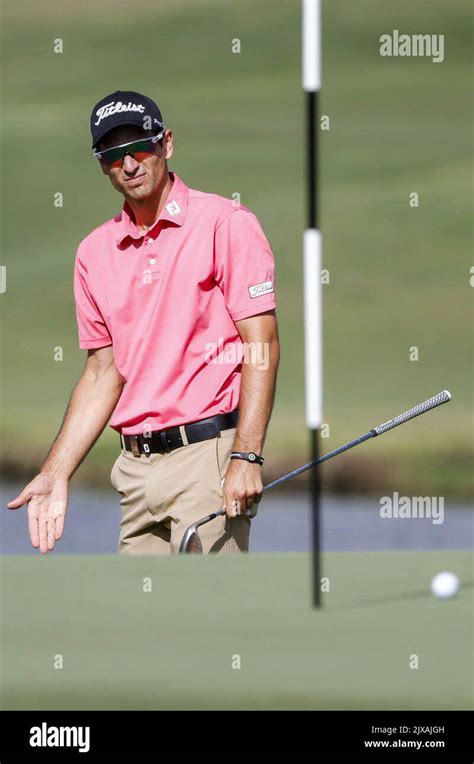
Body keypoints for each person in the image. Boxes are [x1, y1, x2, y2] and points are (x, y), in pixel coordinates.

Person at [7, 90, 280, 555]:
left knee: (206, 619)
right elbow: (102, 373)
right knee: (143, 622)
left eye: (140, 147)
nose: (130, 163)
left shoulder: (224, 223)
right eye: (114, 155)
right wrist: (55, 472)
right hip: (134, 474)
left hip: (207, 457)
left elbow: (262, 345)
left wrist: (246, 455)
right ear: (102, 166)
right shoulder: (94, 253)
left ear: (166, 144)